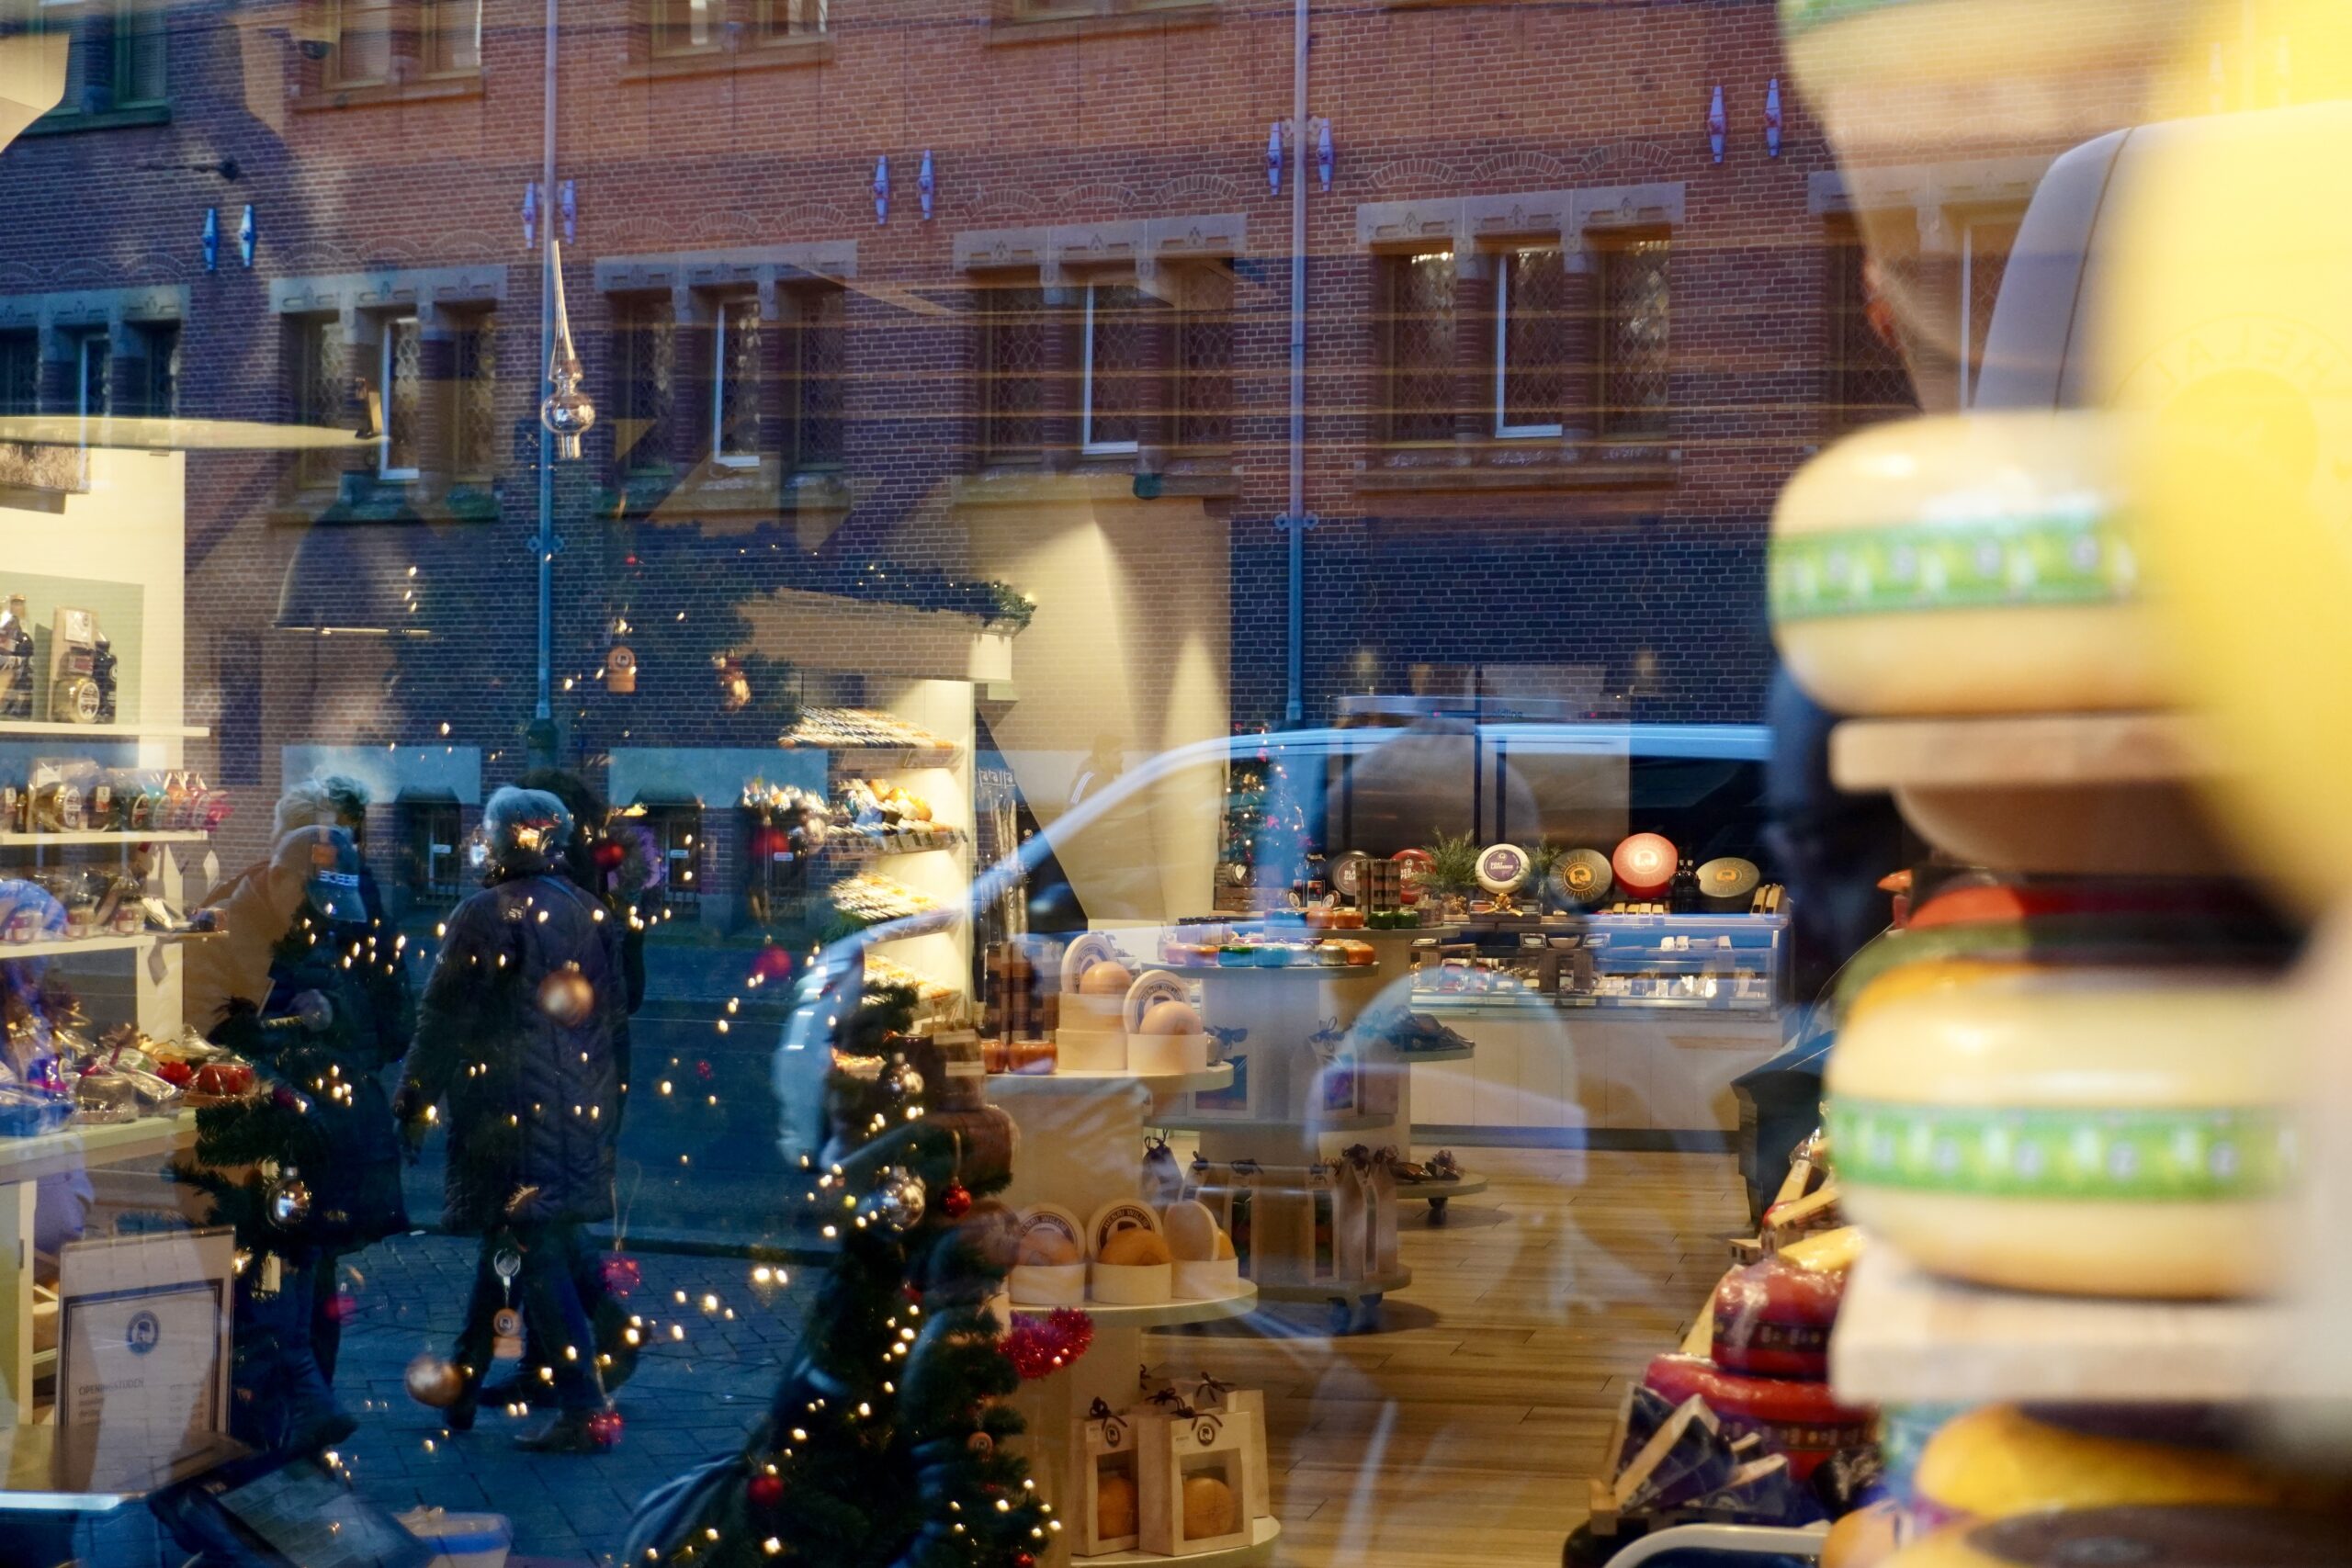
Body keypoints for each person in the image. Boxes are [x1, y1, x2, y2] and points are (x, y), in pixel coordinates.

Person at [394, 786, 627, 1451]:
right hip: (571, 1111)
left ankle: (584, 1405)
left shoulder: (483, 914)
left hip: (508, 1114)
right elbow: (612, 1025)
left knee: (533, 1248)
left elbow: (441, 1020)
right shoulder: (591, 913)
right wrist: (608, 1111)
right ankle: (467, 1379)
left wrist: (413, 1099)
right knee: (514, 1238)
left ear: (500, 840)